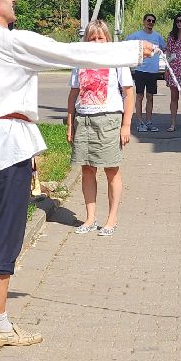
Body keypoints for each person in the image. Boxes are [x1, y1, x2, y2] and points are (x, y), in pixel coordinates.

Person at [0, 0, 156, 347]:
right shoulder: (9, 41)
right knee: (7, 229)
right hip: (6, 143)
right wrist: (131, 50)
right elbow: (69, 53)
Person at [67, 19, 135, 237]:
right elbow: (73, 93)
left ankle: (111, 218)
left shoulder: (117, 59)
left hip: (108, 120)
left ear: (107, 38)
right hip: (84, 119)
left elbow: (129, 93)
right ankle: (89, 217)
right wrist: (70, 123)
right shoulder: (80, 61)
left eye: (100, 37)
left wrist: (126, 125)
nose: (96, 42)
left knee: (111, 169)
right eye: (92, 38)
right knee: (87, 169)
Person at [127, 13, 166, 132]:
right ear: (144, 22)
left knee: (150, 97)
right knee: (139, 96)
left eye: (153, 21)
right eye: (148, 20)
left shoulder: (157, 36)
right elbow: (126, 45)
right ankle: (140, 123)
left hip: (153, 72)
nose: (150, 23)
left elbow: (164, 48)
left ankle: (149, 122)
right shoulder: (136, 35)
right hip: (140, 70)